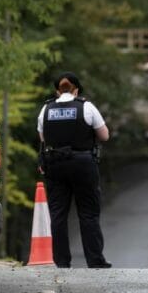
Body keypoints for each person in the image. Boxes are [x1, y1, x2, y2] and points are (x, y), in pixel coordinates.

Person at [37, 72, 112, 269]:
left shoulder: (46, 109)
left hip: (55, 165)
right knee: (88, 213)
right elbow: (104, 135)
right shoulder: (86, 107)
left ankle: (62, 262)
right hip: (82, 165)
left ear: (57, 91)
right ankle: (95, 260)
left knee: (58, 214)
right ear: (76, 90)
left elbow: (43, 139)